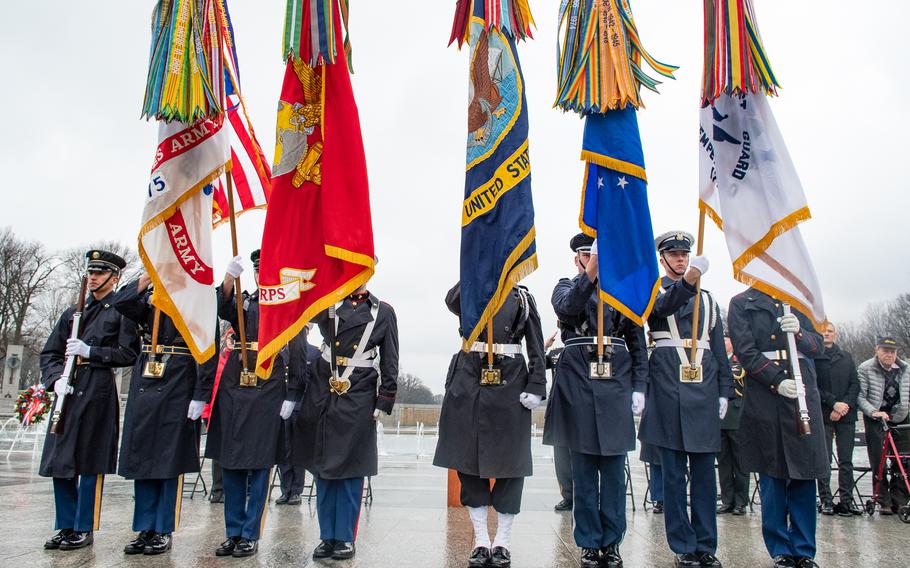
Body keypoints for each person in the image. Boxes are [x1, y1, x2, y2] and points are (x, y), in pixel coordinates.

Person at [543, 233, 649, 568]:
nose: (593, 261)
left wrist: (639, 386)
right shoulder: (564, 285)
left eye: (597, 256)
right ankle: (589, 542)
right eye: (587, 257)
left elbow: (637, 341)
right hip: (577, 381)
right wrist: (593, 273)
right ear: (578, 259)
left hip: (615, 379)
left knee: (615, 472)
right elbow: (569, 306)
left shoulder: (623, 291)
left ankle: (612, 541)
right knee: (584, 471)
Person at [434, 283, 547, 568]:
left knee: (511, 464)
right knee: (468, 462)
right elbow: (452, 300)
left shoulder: (522, 297)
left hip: (509, 381)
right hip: (469, 377)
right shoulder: (471, 288)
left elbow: (535, 343)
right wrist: (475, 267)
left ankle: (503, 542)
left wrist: (536, 384)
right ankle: (482, 540)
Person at [638, 231, 731, 568]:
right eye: (674, 254)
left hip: (703, 390)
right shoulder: (654, 290)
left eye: (684, 254)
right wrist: (688, 282)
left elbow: (719, 351)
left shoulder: (709, 300)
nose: (681, 259)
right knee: (674, 476)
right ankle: (683, 545)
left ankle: (706, 544)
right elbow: (662, 308)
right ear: (662, 258)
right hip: (667, 388)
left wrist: (724, 392)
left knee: (706, 476)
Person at [292, 275, 399, 561]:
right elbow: (303, 308)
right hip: (324, 388)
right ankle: (327, 536)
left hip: (359, 390)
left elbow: (390, 358)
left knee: (351, 468)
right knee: (323, 466)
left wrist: (385, 398)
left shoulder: (383, 311)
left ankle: (345, 538)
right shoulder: (329, 303)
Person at [206, 250, 304, 558]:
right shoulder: (243, 300)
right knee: (231, 459)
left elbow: (298, 351)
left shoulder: (288, 304)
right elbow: (220, 309)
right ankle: (233, 531)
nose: (263, 275)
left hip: (268, 384)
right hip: (236, 383)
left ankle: (250, 533)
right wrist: (228, 280)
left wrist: (293, 393)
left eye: (268, 270)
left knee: (260, 464)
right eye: (258, 270)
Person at [40, 250, 139, 551]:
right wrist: (55, 379)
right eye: (91, 271)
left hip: (97, 389)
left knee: (89, 461)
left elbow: (128, 354)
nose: (93, 276)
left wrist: (91, 352)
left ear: (115, 277)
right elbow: (50, 353)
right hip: (67, 391)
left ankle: (83, 527)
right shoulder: (73, 312)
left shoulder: (121, 312)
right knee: (61, 461)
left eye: (100, 272)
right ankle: (65, 524)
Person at [113, 273, 215, 555]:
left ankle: (163, 529)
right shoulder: (149, 297)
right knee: (143, 456)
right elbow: (120, 302)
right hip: (147, 375)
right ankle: (144, 527)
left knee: (169, 459)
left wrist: (200, 394)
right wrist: (146, 278)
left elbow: (208, 348)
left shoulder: (197, 300)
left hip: (179, 375)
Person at [727, 288, 827, 568]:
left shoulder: (800, 300)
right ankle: (780, 547)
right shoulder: (741, 303)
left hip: (802, 389)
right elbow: (745, 351)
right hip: (766, 392)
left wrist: (800, 335)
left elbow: (819, 346)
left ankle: (804, 549)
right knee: (773, 472)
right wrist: (776, 379)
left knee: (804, 472)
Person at [857, 335, 910, 515]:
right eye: (885, 351)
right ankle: (883, 500)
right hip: (876, 416)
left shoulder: (905, 369)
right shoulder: (865, 368)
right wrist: (874, 412)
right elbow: (860, 397)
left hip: (900, 416)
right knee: (878, 459)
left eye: (892, 352)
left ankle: (900, 500)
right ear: (877, 351)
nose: (889, 355)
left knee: (903, 459)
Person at [815, 322, 862, 517]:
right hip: (824, 414)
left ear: (836, 334)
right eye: (823, 331)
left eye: (830, 331)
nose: (826, 334)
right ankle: (826, 500)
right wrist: (833, 404)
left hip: (846, 415)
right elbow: (814, 386)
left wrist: (844, 406)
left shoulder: (847, 357)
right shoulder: (814, 357)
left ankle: (846, 501)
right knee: (824, 460)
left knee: (846, 461)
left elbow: (854, 384)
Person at [276, 324, 320, 506]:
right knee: (284, 451)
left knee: (298, 452)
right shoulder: (280, 352)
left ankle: (296, 490)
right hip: (282, 408)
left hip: (302, 408)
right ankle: (285, 489)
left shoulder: (314, 353)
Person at [716, 332, 749, 516]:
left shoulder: (738, 361)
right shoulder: (717, 360)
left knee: (740, 462)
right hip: (720, 418)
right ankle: (727, 499)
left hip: (736, 415)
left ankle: (741, 501)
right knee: (724, 462)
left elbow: (735, 378)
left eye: (726, 339)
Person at [543, 333, 573, 512]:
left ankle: (585, 494)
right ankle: (568, 495)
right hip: (560, 409)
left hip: (580, 408)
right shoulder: (556, 354)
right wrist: (544, 346)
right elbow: (537, 364)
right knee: (562, 458)